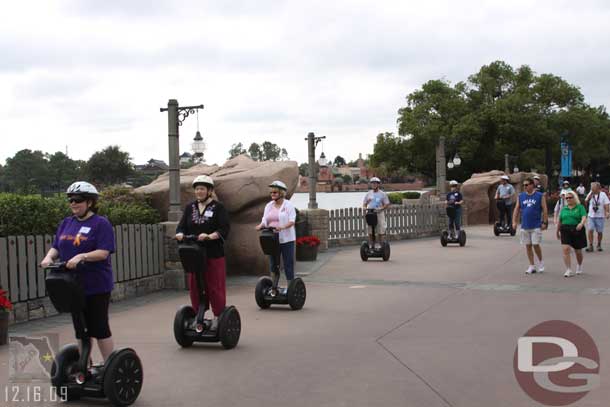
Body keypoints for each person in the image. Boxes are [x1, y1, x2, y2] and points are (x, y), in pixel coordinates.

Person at [40, 181, 115, 363]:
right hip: (72, 285)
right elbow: (57, 245)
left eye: (78, 200)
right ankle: (84, 367)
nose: (73, 203)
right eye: (70, 200)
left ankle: (109, 366)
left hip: (96, 285)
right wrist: (48, 257)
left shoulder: (101, 224)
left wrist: (82, 256)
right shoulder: (67, 223)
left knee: (99, 328)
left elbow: (104, 252)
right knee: (81, 330)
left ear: (90, 202)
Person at [176, 175, 230, 330]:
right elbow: (181, 226)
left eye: (202, 189)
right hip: (195, 254)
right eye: (197, 189)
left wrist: (211, 236)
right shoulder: (190, 207)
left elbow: (224, 228)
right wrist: (180, 233)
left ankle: (219, 317)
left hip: (213, 253)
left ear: (210, 191)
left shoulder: (218, 208)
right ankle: (196, 315)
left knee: (214, 285)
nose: (199, 192)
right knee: (195, 286)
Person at [256, 180, 297, 294]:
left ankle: (290, 289)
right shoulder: (269, 205)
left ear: (281, 193)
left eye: (275, 192)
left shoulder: (288, 205)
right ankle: (274, 288)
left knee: (288, 264)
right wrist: (261, 225)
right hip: (272, 239)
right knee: (273, 264)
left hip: (286, 239)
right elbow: (265, 219)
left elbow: (292, 221)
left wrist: (282, 227)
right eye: (271, 192)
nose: (272, 194)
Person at [513, 178, 549, 274]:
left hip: (536, 225)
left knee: (535, 244)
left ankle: (541, 262)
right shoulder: (521, 196)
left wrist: (545, 222)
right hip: (525, 225)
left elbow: (545, 209)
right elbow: (516, 209)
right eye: (524, 185)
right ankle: (531, 265)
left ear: (532, 185)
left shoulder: (539, 196)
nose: (525, 187)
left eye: (527, 185)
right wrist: (514, 222)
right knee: (528, 246)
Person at [556, 190, 587, 277]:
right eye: (567, 198)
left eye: (570, 197)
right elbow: (560, 221)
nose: (568, 199)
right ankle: (568, 269)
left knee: (578, 251)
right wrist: (557, 231)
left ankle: (579, 265)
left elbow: (584, 216)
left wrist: (581, 223)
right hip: (565, 229)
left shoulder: (580, 207)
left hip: (577, 229)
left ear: (574, 198)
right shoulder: (564, 209)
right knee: (565, 249)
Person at [362, 177, 390, 246]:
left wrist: (381, 208)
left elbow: (387, 204)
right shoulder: (368, 194)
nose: (373, 185)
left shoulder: (382, 194)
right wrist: (365, 208)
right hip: (370, 213)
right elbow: (364, 204)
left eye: (375, 183)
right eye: (372, 183)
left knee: (381, 231)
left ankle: (382, 246)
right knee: (370, 231)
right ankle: (372, 246)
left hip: (379, 213)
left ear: (378, 184)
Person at [584, 182, 610, 252]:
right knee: (590, 230)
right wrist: (589, 197)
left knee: (599, 232)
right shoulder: (591, 193)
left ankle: (599, 244)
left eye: (594, 188)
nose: (592, 190)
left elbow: (607, 204)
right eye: (592, 188)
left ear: (598, 188)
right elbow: (585, 202)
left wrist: (607, 212)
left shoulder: (603, 194)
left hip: (600, 216)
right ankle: (591, 245)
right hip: (591, 216)